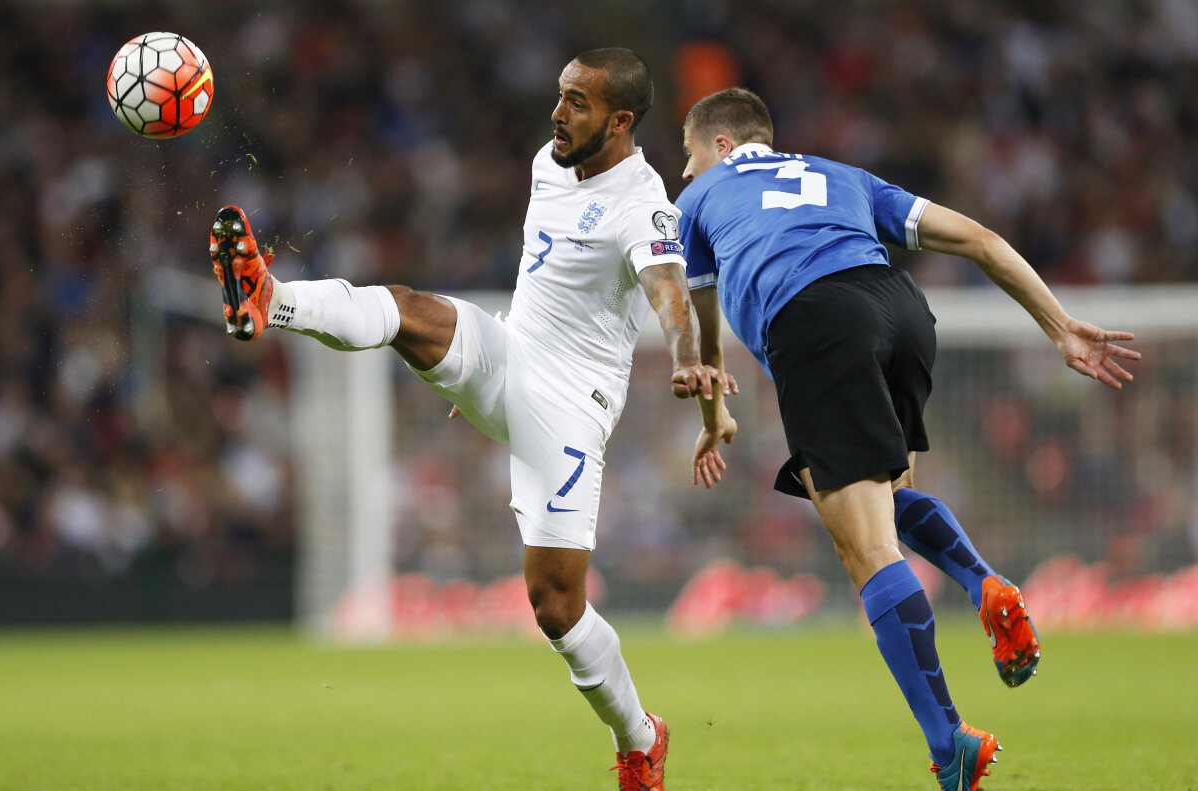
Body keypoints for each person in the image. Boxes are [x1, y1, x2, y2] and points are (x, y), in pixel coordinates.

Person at [208, 48, 735, 791]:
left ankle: (641, 736)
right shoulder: (547, 163)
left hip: (570, 411)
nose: (558, 112)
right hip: (509, 351)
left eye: (578, 103)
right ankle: (271, 296)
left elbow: (671, 293)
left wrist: (686, 358)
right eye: (559, 95)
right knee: (404, 307)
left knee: (555, 605)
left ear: (620, 121)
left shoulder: (641, 201)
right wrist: (487, 382)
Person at [675, 88, 1139, 791]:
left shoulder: (700, 198)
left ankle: (948, 741)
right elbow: (979, 239)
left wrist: (713, 421)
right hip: (899, 308)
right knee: (892, 499)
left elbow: (703, 332)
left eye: (686, 155)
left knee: (865, 548)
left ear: (720, 146)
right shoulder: (846, 176)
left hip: (816, 321)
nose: (683, 172)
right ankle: (988, 585)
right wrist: (1060, 324)